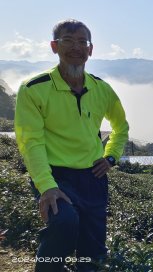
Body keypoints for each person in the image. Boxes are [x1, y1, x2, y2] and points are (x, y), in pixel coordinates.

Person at [14, 19, 129, 272]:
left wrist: (111, 158)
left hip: (92, 178)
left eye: (82, 42)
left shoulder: (102, 89)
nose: (76, 47)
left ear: (91, 49)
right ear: (54, 46)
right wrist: (46, 186)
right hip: (55, 174)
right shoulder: (34, 89)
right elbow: (30, 141)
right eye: (68, 40)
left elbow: (122, 127)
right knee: (64, 223)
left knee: (93, 252)